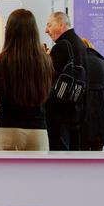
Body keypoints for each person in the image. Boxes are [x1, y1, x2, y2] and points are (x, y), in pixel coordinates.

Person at [0, 9, 53, 151]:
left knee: (7, 173)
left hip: (7, 126)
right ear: (34, 31)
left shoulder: (0, 61)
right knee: (37, 173)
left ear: (9, 30)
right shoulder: (45, 61)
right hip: (37, 127)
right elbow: (49, 95)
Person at [44, 11, 88, 151]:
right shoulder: (80, 44)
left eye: (49, 25)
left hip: (59, 113)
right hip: (77, 110)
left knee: (59, 157)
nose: (46, 30)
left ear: (61, 24)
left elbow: (48, 77)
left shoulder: (62, 46)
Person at [80, 38, 104, 151]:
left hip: (82, 118)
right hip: (101, 119)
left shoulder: (78, 62)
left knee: (79, 158)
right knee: (97, 159)